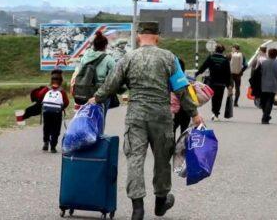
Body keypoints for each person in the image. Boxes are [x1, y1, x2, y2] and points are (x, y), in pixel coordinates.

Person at [89, 22, 202, 220]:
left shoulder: (128, 58)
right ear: (157, 37)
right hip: (161, 116)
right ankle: (160, 203)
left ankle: (137, 209)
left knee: (135, 159)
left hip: (136, 117)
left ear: (139, 36)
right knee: (162, 161)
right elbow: (181, 90)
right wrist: (194, 114)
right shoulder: (169, 58)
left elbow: (111, 84)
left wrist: (96, 98)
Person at [75, 31, 116, 117]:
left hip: (85, 91)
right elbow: (114, 76)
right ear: (105, 45)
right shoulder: (108, 59)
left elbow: (79, 72)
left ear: (94, 45)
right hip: (100, 93)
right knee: (99, 120)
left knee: (86, 117)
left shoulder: (85, 56)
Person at [195, 44, 232, 121]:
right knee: (219, 98)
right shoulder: (225, 60)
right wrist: (229, 85)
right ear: (223, 50)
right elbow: (228, 74)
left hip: (212, 82)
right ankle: (216, 114)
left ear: (215, 50)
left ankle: (213, 112)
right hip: (221, 83)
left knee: (213, 98)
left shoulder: (211, 57)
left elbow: (204, 66)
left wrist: (197, 73)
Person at [37, 70, 69, 153]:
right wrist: (61, 108)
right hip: (57, 113)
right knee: (56, 128)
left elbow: (39, 96)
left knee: (46, 127)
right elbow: (66, 102)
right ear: (61, 80)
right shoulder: (62, 91)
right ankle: (53, 146)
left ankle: (46, 143)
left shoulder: (47, 89)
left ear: (51, 80)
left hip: (46, 111)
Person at [257, 48, 277, 124]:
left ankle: (265, 116)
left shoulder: (263, 63)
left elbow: (258, 74)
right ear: (276, 55)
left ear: (268, 54)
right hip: (273, 86)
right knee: (269, 102)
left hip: (263, 85)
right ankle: (266, 116)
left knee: (263, 102)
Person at [173, 57, 191, 136]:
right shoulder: (188, 81)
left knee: (171, 132)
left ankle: (172, 148)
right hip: (186, 111)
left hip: (173, 111)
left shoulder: (170, 81)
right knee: (184, 134)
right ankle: (182, 148)